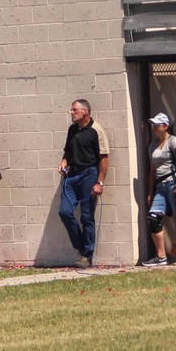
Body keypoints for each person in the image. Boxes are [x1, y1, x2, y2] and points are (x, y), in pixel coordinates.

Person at [57, 99, 109, 268]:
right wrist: (64, 163)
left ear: (85, 111)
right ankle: (80, 246)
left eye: (74, 110)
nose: (71, 113)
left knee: (87, 216)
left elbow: (104, 158)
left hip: (89, 174)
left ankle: (87, 255)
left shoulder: (96, 130)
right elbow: (67, 152)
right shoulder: (72, 130)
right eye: (71, 110)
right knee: (65, 212)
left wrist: (99, 182)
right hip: (72, 176)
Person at [141, 113, 176, 267]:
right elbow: (152, 170)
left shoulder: (174, 142)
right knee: (153, 218)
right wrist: (151, 191)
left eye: (157, 124)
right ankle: (161, 256)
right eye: (153, 125)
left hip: (174, 182)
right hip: (160, 186)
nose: (154, 127)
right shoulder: (152, 146)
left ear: (165, 126)